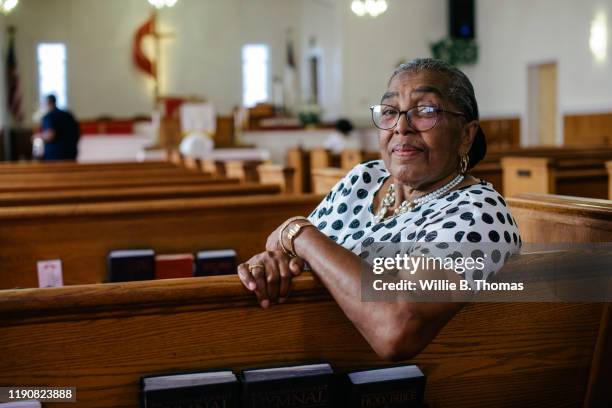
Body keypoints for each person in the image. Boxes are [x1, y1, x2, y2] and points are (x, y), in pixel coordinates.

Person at [237, 58, 522, 361]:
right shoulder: (365, 177)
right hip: (304, 357)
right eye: (389, 112)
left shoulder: (479, 214)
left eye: (425, 111)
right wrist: (272, 264)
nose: (401, 127)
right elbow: (284, 249)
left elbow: (397, 327)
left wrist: (300, 234)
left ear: (466, 135)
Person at [39, 94, 80, 161]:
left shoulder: (49, 117)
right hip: (71, 153)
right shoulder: (68, 115)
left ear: (48, 103)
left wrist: (38, 136)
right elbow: (77, 132)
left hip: (54, 156)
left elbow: (50, 135)